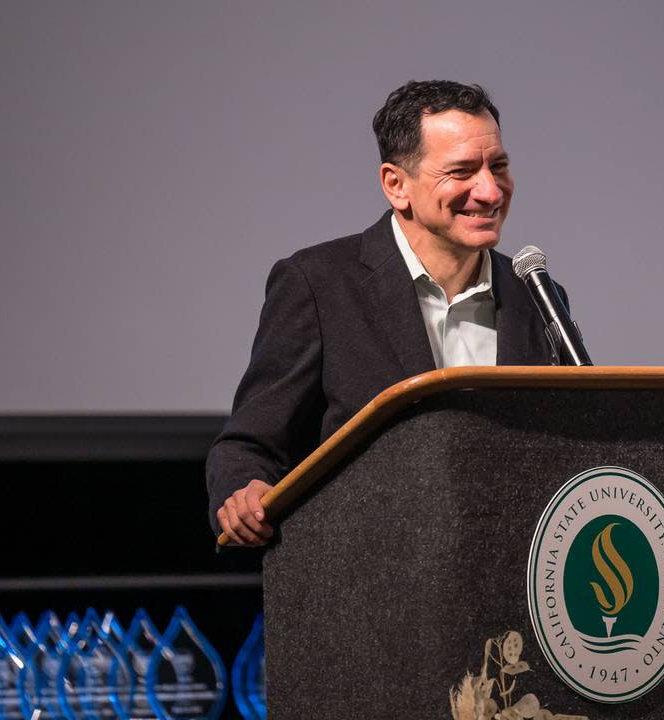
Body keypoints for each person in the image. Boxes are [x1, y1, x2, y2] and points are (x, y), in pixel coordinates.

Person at [207, 80, 561, 545]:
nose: (490, 191)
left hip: (509, 572)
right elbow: (250, 444)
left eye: (498, 166)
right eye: (461, 172)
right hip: (367, 574)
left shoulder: (537, 295)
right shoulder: (318, 284)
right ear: (397, 185)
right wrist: (243, 489)